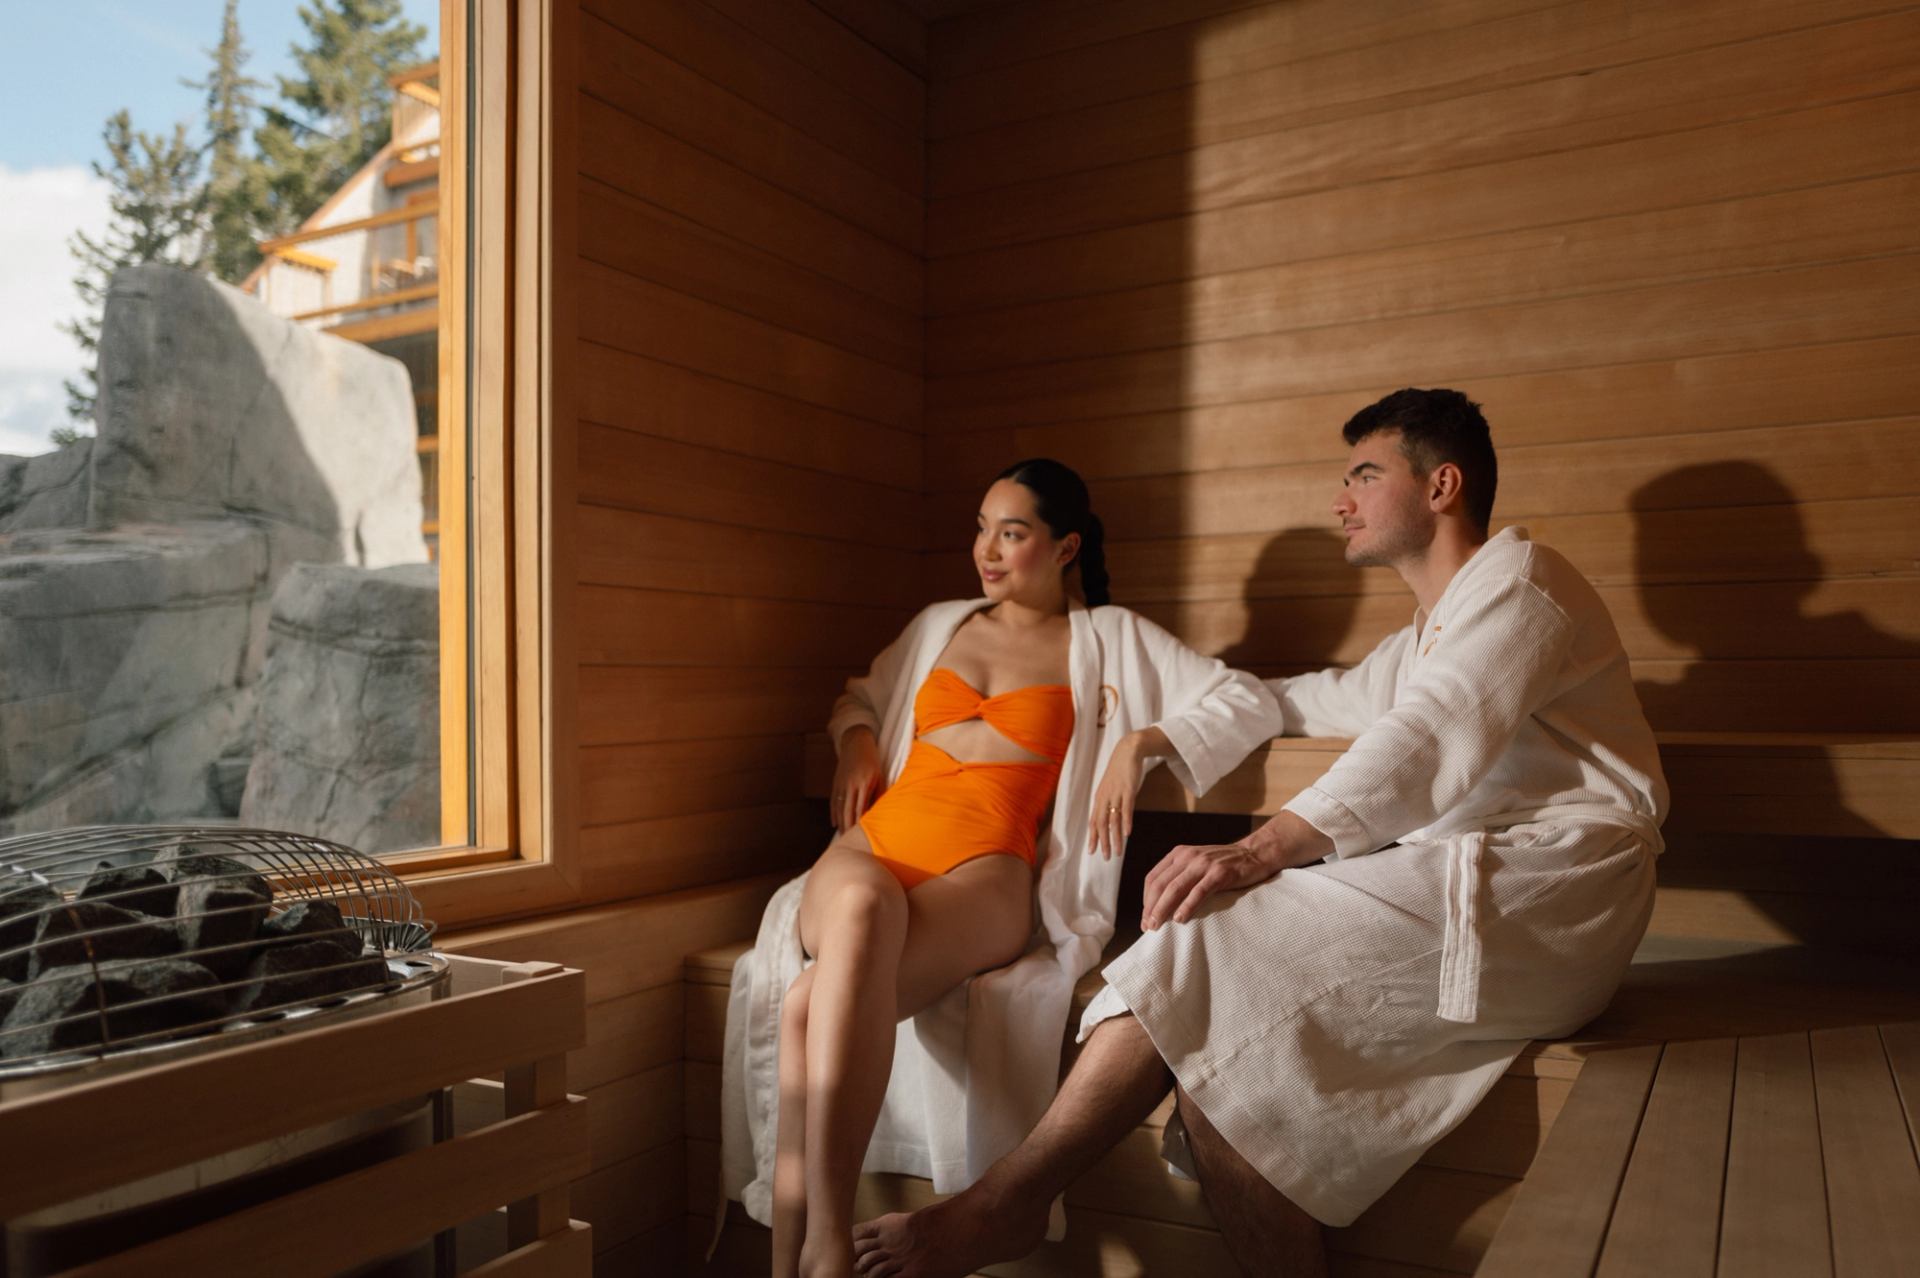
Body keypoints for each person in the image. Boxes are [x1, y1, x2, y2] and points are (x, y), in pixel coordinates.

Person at [851, 389, 1669, 1278]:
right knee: (1225, 1086)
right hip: (1462, 885)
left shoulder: (1524, 583)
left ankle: (1006, 1201)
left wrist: (1257, 849)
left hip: (1554, 891)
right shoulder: (1422, 640)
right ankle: (1011, 1204)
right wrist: (1154, 734)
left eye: (1365, 475)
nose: (1341, 500)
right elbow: (1296, 698)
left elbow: (1429, 736)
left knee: (1204, 933)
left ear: (1442, 486)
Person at [718, 459, 1285, 1278]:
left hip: (984, 871)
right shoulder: (939, 625)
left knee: (815, 996)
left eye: (1011, 533)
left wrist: (1140, 743)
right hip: (874, 848)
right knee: (856, 918)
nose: (986, 550)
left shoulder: (1112, 639)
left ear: (1065, 547)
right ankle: (825, 1250)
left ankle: (803, 1254)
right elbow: (861, 697)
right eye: (981, 529)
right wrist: (858, 742)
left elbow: (1246, 699)